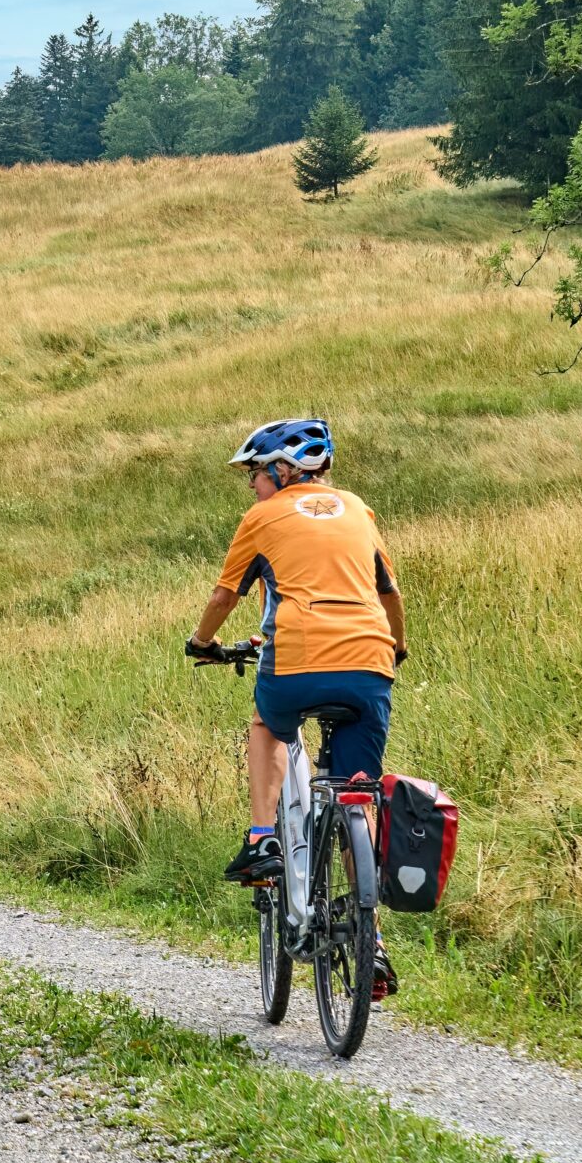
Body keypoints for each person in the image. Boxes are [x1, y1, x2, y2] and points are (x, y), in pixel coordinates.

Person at [184, 418, 406, 999]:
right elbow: (390, 595)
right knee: (359, 790)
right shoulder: (358, 509)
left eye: (256, 473)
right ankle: (371, 938)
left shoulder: (263, 517)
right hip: (370, 664)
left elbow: (224, 595)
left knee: (267, 723)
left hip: (298, 661)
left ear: (284, 470)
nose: (252, 486)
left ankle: (263, 839)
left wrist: (202, 643)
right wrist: (396, 648)